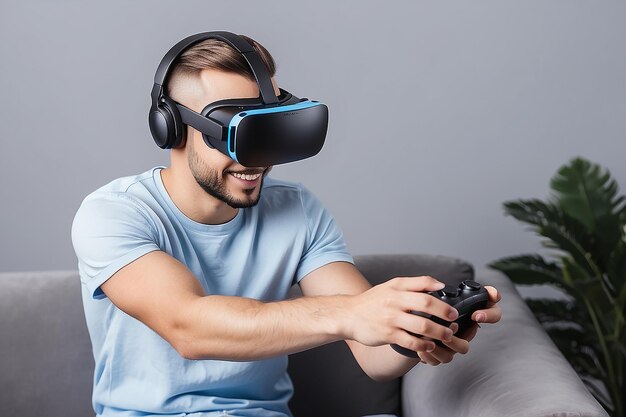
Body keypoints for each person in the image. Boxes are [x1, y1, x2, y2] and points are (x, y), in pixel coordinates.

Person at [71, 32, 502, 417]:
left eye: (267, 129)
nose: (257, 160)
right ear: (172, 127)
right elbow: (190, 327)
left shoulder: (297, 211)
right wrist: (351, 312)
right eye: (234, 135)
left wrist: (417, 332)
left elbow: (373, 359)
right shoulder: (113, 214)